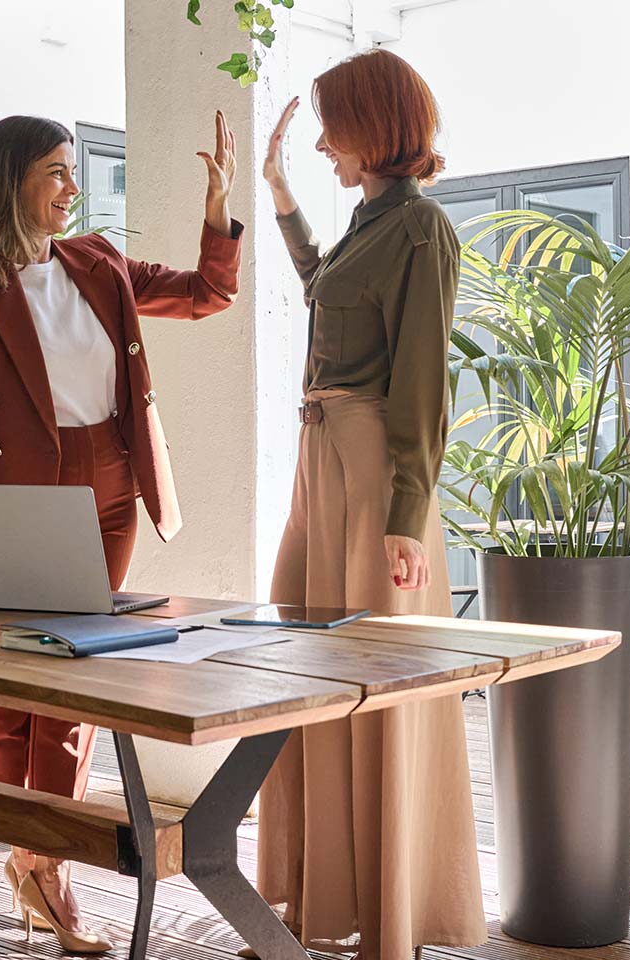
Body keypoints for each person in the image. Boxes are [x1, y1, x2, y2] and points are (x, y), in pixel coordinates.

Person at [0, 113, 244, 953]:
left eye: (74, 172)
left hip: (109, 488)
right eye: (56, 173)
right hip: (16, 494)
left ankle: (47, 862)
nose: (73, 188)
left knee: (74, 685)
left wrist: (218, 211)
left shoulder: (97, 259)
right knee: (13, 692)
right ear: (11, 181)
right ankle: (32, 854)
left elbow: (207, 294)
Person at [254, 50, 485, 960]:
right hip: (322, 462)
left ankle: (391, 919)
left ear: (372, 126)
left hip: (374, 470)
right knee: (304, 664)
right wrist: (275, 190)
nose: (321, 144)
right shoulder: (370, 222)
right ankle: (319, 899)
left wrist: (406, 511)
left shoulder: (423, 230)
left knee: (375, 683)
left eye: (331, 129)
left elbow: (424, 379)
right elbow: (322, 288)